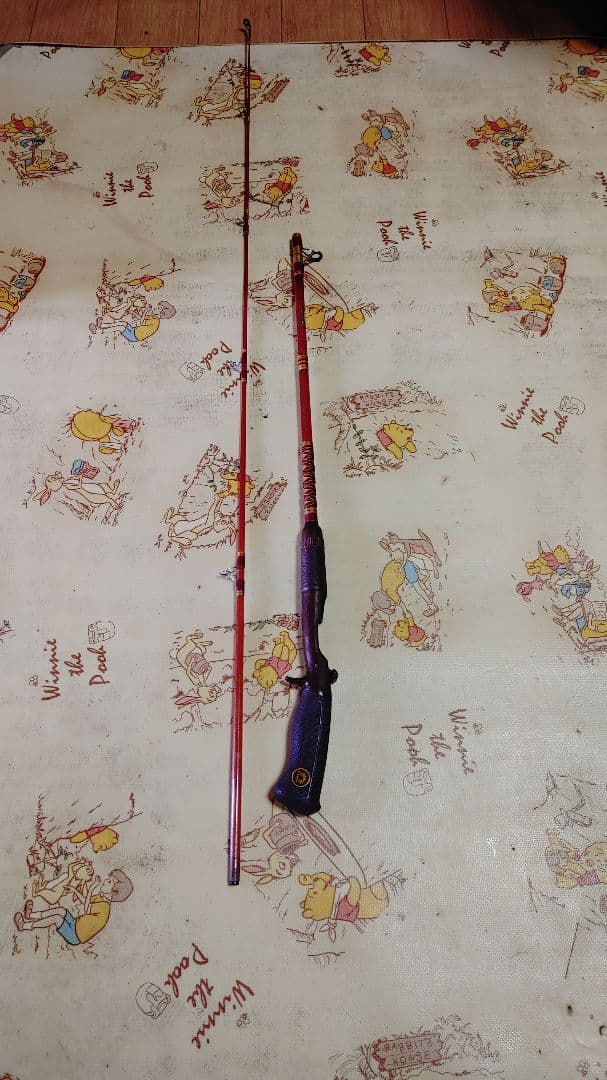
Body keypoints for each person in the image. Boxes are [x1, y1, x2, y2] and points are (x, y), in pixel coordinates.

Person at [13, 869, 133, 947]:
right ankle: (30, 915)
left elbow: (86, 907)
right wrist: (74, 890)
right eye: (108, 878)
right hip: (75, 924)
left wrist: (91, 888)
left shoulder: (104, 906)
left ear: (113, 892)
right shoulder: (101, 898)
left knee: (56, 919)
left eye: (109, 882)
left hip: (75, 935)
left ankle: (25, 926)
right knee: (61, 911)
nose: (105, 880)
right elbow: (85, 900)